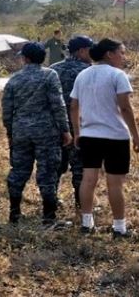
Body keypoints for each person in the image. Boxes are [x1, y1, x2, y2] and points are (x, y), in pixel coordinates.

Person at [70, 38, 139, 237]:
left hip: (90, 135)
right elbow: (125, 107)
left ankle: (86, 223)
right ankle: (119, 227)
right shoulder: (118, 75)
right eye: (121, 52)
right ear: (110, 54)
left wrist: (77, 132)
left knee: (88, 179)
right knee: (115, 183)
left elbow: (74, 105)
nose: (123, 57)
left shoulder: (82, 75)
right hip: (115, 136)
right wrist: (136, 135)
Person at [1, 42, 72, 226]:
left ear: (26, 58)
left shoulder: (14, 80)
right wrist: (65, 130)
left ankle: (14, 215)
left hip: (21, 132)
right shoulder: (50, 75)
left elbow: (7, 110)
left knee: (18, 171)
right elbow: (58, 105)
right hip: (46, 132)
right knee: (47, 172)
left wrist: (10, 131)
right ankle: (49, 218)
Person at [51, 35, 94, 206]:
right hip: (79, 126)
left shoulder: (53, 69)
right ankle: (81, 204)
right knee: (80, 167)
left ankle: (52, 200)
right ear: (82, 50)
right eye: (90, 50)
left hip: (56, 126)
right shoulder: (87, 71)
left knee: (56, 165)